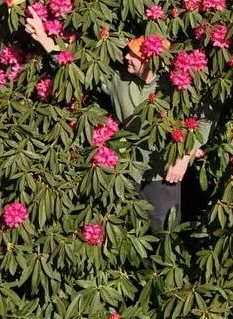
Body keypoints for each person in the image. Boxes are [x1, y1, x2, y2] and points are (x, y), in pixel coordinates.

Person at [23, 12, 211, 231]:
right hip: (126, 172)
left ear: (150, 59)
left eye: (133, 55)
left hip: (162, 174)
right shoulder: (118, 80)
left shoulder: (174, 86)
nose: (126, 58)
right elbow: (76, 70)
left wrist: (185, 157)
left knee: (164, 233)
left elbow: (205, 118)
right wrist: (45, 40)